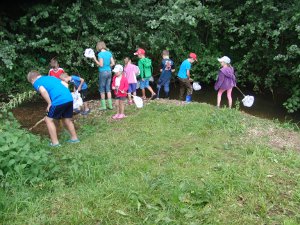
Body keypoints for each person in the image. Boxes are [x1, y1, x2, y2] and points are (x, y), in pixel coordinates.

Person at [27, 70, 79, 146]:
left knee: (48, 120)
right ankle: (74, 139)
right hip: (69, 98)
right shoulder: (51, 77)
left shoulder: (36, 82)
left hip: (58, 100)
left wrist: (49, 103)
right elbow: (65, 84)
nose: (32, 84)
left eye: (31, 83)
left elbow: (43, 91)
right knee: (67, 119)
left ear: (32, 79)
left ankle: (55, 143)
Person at [93, 41, 115, 110]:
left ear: (98, 46)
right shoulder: (109, 53)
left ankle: (104, 106)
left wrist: (95, 59)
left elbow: (101, 65)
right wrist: (108, 66)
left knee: (102, 89)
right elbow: (113, 63)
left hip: (103, 72)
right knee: (108, 88)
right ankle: (110, 106)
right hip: (109, 71)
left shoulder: (100, 54)